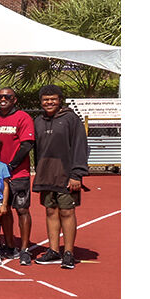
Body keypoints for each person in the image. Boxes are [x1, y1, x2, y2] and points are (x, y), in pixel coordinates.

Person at [31, 84, 88, 269]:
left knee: (67, 212)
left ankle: (69, 253)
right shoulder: (38, 121)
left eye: (53, 99)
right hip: (46, 174)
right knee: (50, 211)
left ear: (60, 100)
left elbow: (80, 146)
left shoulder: (71, 119)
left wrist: (77, 174)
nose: (49, 102)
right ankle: (54, 250)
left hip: (66, 174)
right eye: (45, 100)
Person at [0, 87, 36, 265]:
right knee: (3, 211)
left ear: (14, 99)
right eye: (0, 96)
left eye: (7, 96)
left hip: (18, 173)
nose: (3, 99)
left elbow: (27, 145)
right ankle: (10, 245)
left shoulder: (23, 117)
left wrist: (11, 166)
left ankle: (25, 249)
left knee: (22, 210)